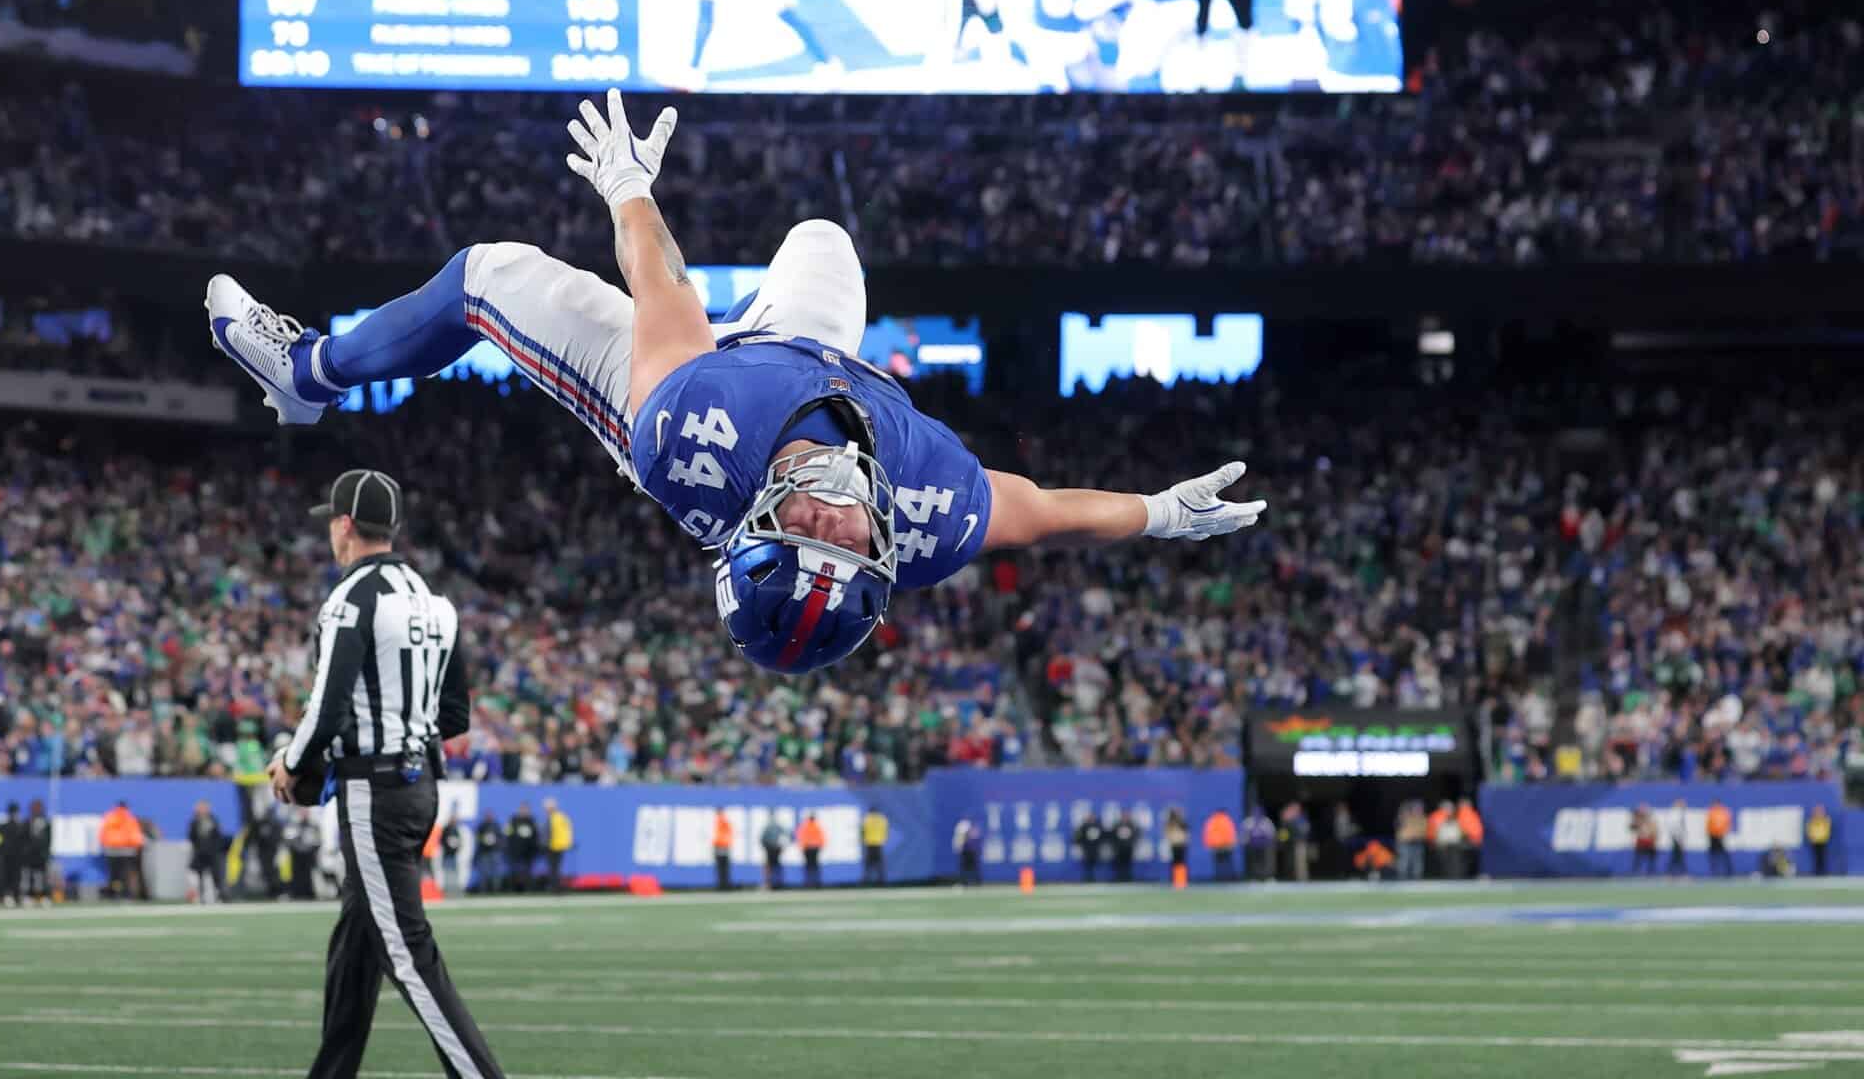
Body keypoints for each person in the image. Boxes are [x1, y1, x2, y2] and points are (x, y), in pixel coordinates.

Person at [206, 91, 1266, 680]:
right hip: (808, 355)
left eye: (806, 530)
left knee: (492, 274)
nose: (836, 518)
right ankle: (764, 325)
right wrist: (1160, 514)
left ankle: (308, 374)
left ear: (758, 520)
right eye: (847, 542)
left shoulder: (692, 432)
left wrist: (629, 187)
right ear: (885, 555)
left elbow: (662, 287)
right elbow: (1042, 512)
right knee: (823, 236)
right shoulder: (930, 508)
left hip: (673, 384)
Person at [244, 468, 539, 1079]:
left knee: (406, 952)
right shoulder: (436, 603)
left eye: (331, 521)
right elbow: (455, 716)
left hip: (374, 791)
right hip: (419, 781)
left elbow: (329, 703)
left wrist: (292, 761)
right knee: (355, 955)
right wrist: (401, 726)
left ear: (345, 525)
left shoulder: (351, 600)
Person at [98, 800, 143, 900]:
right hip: (127, 851)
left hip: (112, 850)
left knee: (114, 874)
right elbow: (135, 834)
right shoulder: (129, 818)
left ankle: (115, 893)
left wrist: (105, 844)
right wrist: (137, 846)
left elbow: (103, 833)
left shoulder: (109, 817)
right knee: (126, 873)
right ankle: (126, 893)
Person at [188, 800, 228, 904]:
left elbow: (218, 836)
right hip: (200, 853)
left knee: (217, 875)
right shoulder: (194, 821)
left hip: (212, 853)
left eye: (203, 807)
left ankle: (219, 896)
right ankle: (200, 896)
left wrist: (215, 848)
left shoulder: (213, 820)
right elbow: (191, 836)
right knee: (197, 875)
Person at [250, 807, 286, 899]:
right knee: (266, 872)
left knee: (275, 872)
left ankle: (278, 891)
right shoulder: (259, 823)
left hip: (274, 851)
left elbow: (279, 838)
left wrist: (280, 850)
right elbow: (254, 837)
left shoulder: (275, 824)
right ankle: (270, 892)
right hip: (262, 852)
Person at [285, 809, 321, 900]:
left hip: (309, 852)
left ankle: (308, 892)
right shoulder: (294, 824)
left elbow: (317, 839)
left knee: (308, 874)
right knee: (296, 873)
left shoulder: (312, 825)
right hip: (296, 853)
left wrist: (314, 848)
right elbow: (289, 838)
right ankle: (297, 893)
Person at [0, 803, 25, 908]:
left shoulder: (2, 827)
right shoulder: (19, 826)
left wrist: (1, 851)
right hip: (12, 856)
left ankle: (8, 895)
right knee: (12, 877)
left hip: (7, 856)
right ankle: (12, 896)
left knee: (9, 877)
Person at [506, 802, 542, 893]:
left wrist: (536, 848)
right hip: (516, 850)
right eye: (523, 809)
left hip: (529, 851)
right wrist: (510, 847)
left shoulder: (532, 820)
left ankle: (528, 888)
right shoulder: (514, 820)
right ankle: (514, 889)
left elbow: (536, 835)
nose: (524, 811)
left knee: (528, 871)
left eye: (526, 809)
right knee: (515, 870)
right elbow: (508, 834)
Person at [22, 800, 52, 906]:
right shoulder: (27, 822)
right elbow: (24, 838)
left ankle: (45, 896)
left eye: (38, 808)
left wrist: (46, 852)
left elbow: (49, 839)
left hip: (42, 854)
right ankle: (29, 896)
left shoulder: (46, 822)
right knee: (29, 876)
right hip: (30, 854)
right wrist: (26, 851)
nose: (36, 810)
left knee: (44, 876)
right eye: (35, 808)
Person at [543, 797, 573, 893]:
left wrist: (545, 843)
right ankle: (555, 887)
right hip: (556, 845)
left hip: (554, 845)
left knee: (554, 868)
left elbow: (550, 833)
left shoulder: (556, 818)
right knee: (554, 868)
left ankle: (555, 888)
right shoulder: (559, 817)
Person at [1241, 806, 1276, 882]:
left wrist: (1270, 842)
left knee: (1265, 862)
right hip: (1253, 846)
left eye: (1258, 812)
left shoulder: (1266, 821)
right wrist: (1245, 842)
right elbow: (1244, 833)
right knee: (1254, 862)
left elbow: (1271, 833)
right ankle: (1254, 877)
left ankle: (1266, 877)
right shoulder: (1249, 821)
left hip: (1264, 846)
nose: (1257, 814)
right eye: (1255, 812)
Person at [474, 810, 504, 894]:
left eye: (490, 815)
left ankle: (496, 890)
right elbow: (477, 838)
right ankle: (484, 890)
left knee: (496, 872)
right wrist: (484, 841)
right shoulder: (482, 826)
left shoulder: (496, 826)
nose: (489, 817)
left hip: (495, 851)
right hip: (484, 852)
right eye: (487, 815)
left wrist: (496, 842)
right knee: (484, 872)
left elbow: (501, 837)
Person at [1201, 808, 1236, 881]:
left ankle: (1219, 878)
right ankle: (1227, 878)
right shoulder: (1226, 820)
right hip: (1225, 845)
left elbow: (1208, 833)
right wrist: (1231, 843)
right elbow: (1230, 833)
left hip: (1216, 845)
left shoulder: (1212, 820)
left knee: (1218, 864)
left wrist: (1209, 844)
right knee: (1226, 863)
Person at [860, 807, 889, 886]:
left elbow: (862, 831)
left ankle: (866, 881)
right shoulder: (882, 819)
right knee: (879, 864)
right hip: (879, 843)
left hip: (869, 843)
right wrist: (883, 839)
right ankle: (881, 881)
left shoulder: (866, 819)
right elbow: (885, 830)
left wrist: (863, 840)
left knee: (868, 864)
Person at [1074, 812, 1106, 883]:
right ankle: (1087, 877)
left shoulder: (1098, 826)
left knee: (1094, 862)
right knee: (1087, 863)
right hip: (1087, 848)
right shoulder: (1084, 826)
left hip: (1095, 848)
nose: (1091, 819)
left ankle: (1093, 877)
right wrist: (1080, 843)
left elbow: (1103, 836)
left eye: (1092, 817)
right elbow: (1079, 836)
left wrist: (1100, 843)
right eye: (1090, 817)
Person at [796, 812, 825, 888]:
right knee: (813, 866)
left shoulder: (806, 826)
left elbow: (801, 838)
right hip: (813, 848)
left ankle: (810, 882)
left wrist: (802, 847)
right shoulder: (815, 826)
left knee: (809, 866)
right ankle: (815, 882)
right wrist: (819, 845)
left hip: (808, 848)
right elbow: (821, 838)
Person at [1109, 810, 1140, 883]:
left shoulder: (1131, 825)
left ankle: (1127, 877)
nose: (1125, 817)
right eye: (1124, 816)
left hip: (1128, 847)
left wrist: (1131, 843)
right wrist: (1115, 845)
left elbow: (1135, 836)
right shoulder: (1117, 825)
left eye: (1126, 816)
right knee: (1119, 864)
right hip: (1119, 847)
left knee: (1128, 863)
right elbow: (1113, 836)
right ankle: (1119, 877)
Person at [1706, 799, 1734, 877]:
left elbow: (1727, 824)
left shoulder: (1724, 812)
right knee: (1713, 854)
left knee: (1724, 854)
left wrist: (1723, 832)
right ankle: (1714, 871)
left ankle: (1727, 871)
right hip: (1712, 836)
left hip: (1721, 836)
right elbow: (1708, 824)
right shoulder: (1711, 812)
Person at [759, 815, 788, 890]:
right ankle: (775, 883)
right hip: (774, 848)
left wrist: (766, 847)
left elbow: (762, 839)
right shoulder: (777, 827)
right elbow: (786, 836)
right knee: (774, 867)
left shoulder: (768, 827)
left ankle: (771, 883)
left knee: (771, 867)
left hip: (771, 848)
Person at [952, 815, 982, 887]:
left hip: (968, 849)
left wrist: (959, 845)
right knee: (968, 866)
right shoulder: (965, 824)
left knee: (968, 866)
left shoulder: (964, 825)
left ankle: (971, 882)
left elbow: (963, 837)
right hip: (968, 849)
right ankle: (969, 882)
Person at [1629, 804, 1658, 877]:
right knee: (1638, 857)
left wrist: (1653, 837)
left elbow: (1654, 830)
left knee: (1651, 858)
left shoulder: (1651, 821)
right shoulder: (1638, 820)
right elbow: (1632, 827)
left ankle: (1650, 872)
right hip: (1641, 841)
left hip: (1649, 841)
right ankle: (1636, 871)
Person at [1806, 804, 1834, 877]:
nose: (1819, 813)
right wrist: (1812, 837)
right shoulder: (1811, 820)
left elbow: (1827, 830)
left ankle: (1823, 871)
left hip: (1823, 841)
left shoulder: (1825, 820)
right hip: (1814, 841)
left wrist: (1824, 837)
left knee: (1823, 857)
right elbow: (1809, 830)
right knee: (1816, 857)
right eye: (1817, 811)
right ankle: (1817, 871)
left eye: (1820, 811)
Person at [1163, 806, 1190, 878]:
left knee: (1181, 862)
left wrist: (1185, 840)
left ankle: (1181, 878)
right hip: (1174, 844)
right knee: (1175, 862)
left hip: (1181, 844)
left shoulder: (1182, 822)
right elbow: (1167, 833)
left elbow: (1186, 832)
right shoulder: (1170, 823)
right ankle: (1175, 878)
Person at [712, 809, 735, 891]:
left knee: (721, 867)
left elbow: (721, 835)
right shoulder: (722, 821)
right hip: (723, 846)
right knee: (723, 867)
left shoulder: (720, 821)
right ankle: (724, 884)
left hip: (721, 846)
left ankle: (722, 885)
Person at [1668, 798, 1690, 876]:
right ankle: (1680, 873)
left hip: (1677, 838)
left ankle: (1672, 873)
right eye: (1682, 804)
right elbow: (1675, 827)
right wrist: (1679, 839)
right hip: (1677, 838)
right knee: (1678, 856)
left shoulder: (1678, 813)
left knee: (1677, 856)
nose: (1684, 805)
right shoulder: (1676, 813)